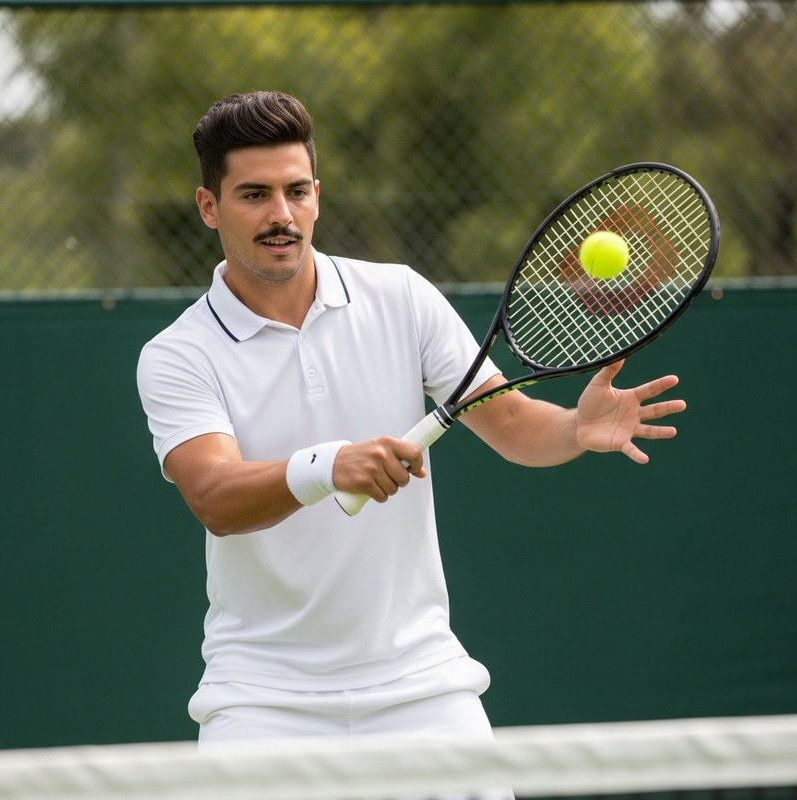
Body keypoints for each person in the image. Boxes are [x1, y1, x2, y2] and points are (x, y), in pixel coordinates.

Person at [136, 91, 686, 746]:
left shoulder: (399, 296)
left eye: (297, 191)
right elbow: (216, 498)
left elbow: (511, 424)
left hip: (421, 683)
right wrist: (328, 465)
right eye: (254, 195)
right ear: (209, 207)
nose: (281, 215)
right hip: (262, 697)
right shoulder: (178, 355)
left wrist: (573, 428)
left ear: (317, 194)